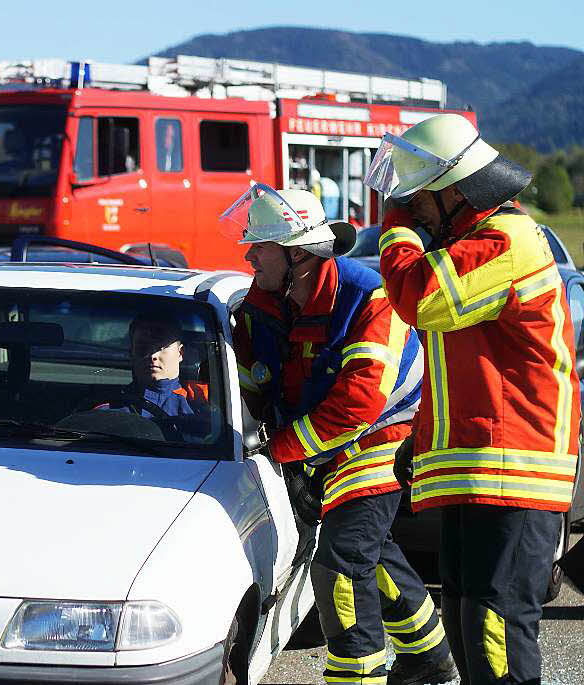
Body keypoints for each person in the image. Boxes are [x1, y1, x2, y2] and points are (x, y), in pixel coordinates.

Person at [365, 113, 580, 685]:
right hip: (478, 467)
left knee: (496, 631)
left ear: (454, 191)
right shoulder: (469, 245)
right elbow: (456, 368)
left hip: (515, 470)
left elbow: (422, 300)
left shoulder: (507, 239)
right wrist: (422, 438)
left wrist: (392, 224)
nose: (413, 210)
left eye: (418, 199)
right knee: (468, 624)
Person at [226, 184, 457, 685]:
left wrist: (284, 453)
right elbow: (242, 378)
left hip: (381, 435)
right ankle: (431, 661)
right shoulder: (261, 303)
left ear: (296, 255)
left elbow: (360, 403)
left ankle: (359, 674)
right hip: (317, 441)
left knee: (343, 560)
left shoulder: (369, 297)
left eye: (259, 246)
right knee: (373, 553)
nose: (248, 255)